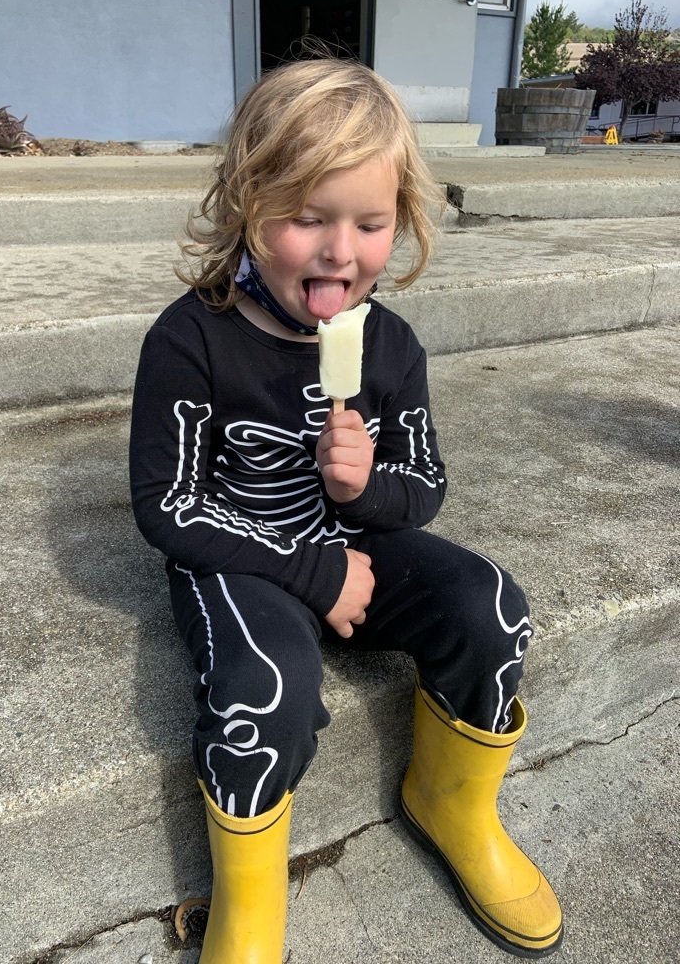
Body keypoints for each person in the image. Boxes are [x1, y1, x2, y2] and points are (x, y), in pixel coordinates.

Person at [129, 56, 563, 961]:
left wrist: (364, 488)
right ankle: (250, 909)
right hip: (244, 561)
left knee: (495, 610)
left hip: (360, 549)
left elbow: (425, 488)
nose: (339, 252)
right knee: (268, 694)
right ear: (247, 206)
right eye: (306, 219)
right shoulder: (191, 338)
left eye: (370, 224)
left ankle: (451, 805)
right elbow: (167, 506)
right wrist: (314, 567)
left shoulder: (389, 347)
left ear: (400, 222)